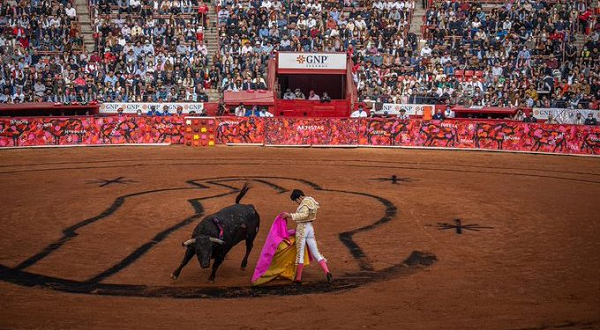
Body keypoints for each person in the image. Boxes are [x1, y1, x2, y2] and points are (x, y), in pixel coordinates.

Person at [282, 189, 332, 284]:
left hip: (302, 229)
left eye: (296, 200)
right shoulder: (311, 200)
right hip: (310, 228)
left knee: (300, 252)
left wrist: (289, 215)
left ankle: (299, 278)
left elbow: (303, 215)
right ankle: (327, 272)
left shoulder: (304, 204)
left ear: (299, 197)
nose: (297, 202)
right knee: (316, 252)